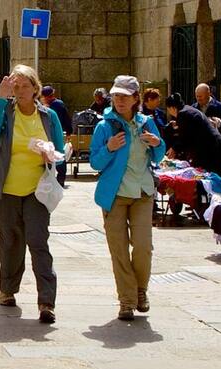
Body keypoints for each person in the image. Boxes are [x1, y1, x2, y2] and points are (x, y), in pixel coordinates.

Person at [0, 65, 66, 323]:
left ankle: (46, 302)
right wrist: (0, 98)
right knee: (10, 242)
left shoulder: (48, 117)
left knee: (38, 242)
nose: (19, 92)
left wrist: (50, 155)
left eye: (24, 86)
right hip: (5, 190)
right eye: (15, 87)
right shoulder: (6, 112)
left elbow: (60, 153)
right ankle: (7, 290)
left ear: (35, 88)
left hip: (37, 191)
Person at [90, 75, 167, 321]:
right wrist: (109, 148)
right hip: (114, 195)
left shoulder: (147, 123)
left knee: (143, 247)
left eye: (125, 96)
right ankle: (127, 300)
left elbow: (157, 157)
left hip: (142, 193)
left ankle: (141, 290)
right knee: (119, 251)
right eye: (116, 95)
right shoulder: (105, 126)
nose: (119, 100)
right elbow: (95, 162)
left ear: (136, 99)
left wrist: (158, 143)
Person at [163, 91, 221, 173]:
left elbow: (185, 137)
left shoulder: (183, 114)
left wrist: (174, 149)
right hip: (214, 146)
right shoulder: (188, 110)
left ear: (172, 108)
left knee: (213, 178)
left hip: (211, 149)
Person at [43, 85, 75, 184]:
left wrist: (69, 131)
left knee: (57, 154)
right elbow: (67, 119)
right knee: (59, 154)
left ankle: (58, 178)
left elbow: (65, 119)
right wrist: (69, 131)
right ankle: (61, 179)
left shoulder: (53, 106)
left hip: (52, 133)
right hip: (57, 133)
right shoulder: (58, 104)